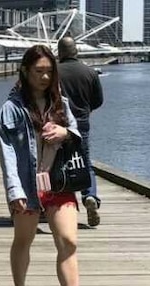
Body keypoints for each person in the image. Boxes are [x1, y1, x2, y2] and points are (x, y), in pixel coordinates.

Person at [0, 44, 105, 286]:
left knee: (69, 241)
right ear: (26, 72)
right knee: (24, 239)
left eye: (49, 72)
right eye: (39, 71)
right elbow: (7, 151)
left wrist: (65, 131)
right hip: (28, 184)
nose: (44, 77)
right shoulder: (12, 108)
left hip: (58, 180)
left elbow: (77, 133)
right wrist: (14, 190)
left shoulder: (61, 103)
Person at [57, 36, 104, 227]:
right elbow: (98, 100)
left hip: (58, 124)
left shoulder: (53, 72)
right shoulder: (90, 72)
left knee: (56, 163)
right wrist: (86, 111)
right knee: (84, 161)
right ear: (76, 51)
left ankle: (56, 204)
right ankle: (89, 195)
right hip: (82, 122)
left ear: (59, 52)